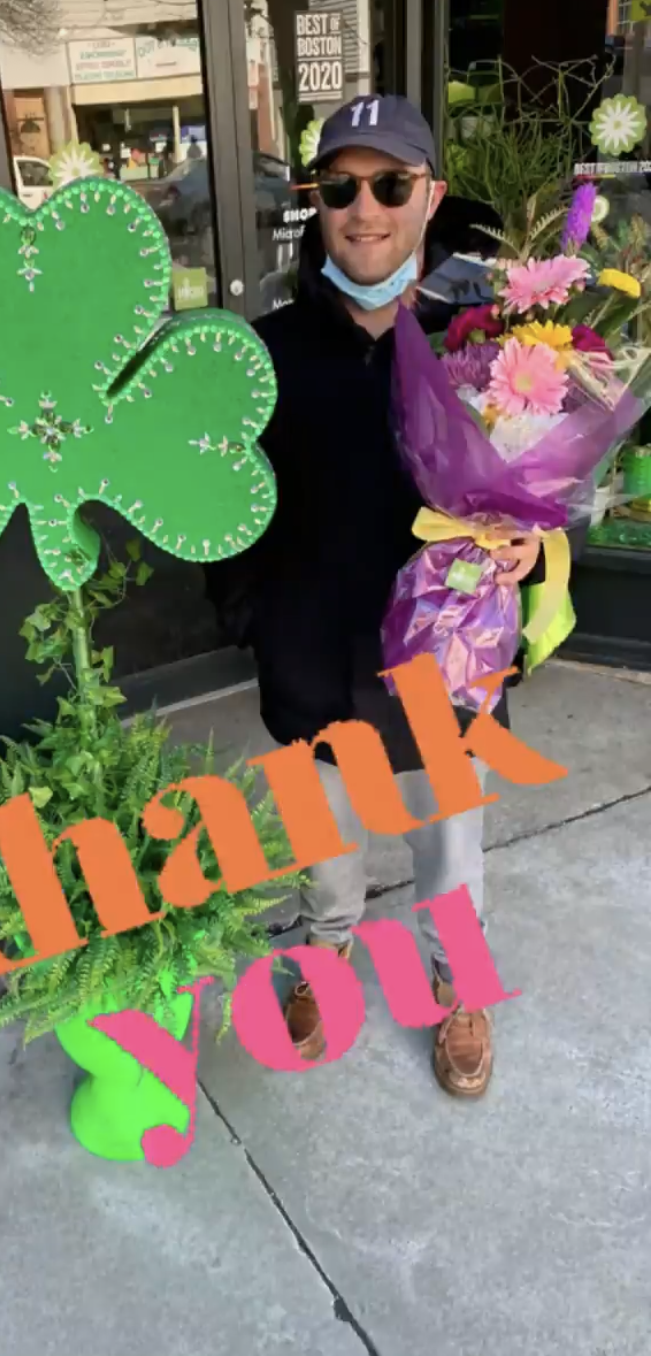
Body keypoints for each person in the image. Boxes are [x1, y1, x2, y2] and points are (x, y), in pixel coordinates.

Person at [203, 96, 544, 1099]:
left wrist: (531, 551)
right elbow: (222, 503)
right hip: (312, 649)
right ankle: (327, 947)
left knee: (451, 841)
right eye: (340, 186)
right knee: (324, 842)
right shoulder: (263, 353)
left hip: (446, 659)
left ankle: (457, 985)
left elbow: (533, 496)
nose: (365, 209)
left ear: (430, 196)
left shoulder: (488, 344)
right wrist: (250, 618)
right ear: (316, 201)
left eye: (391, 185)